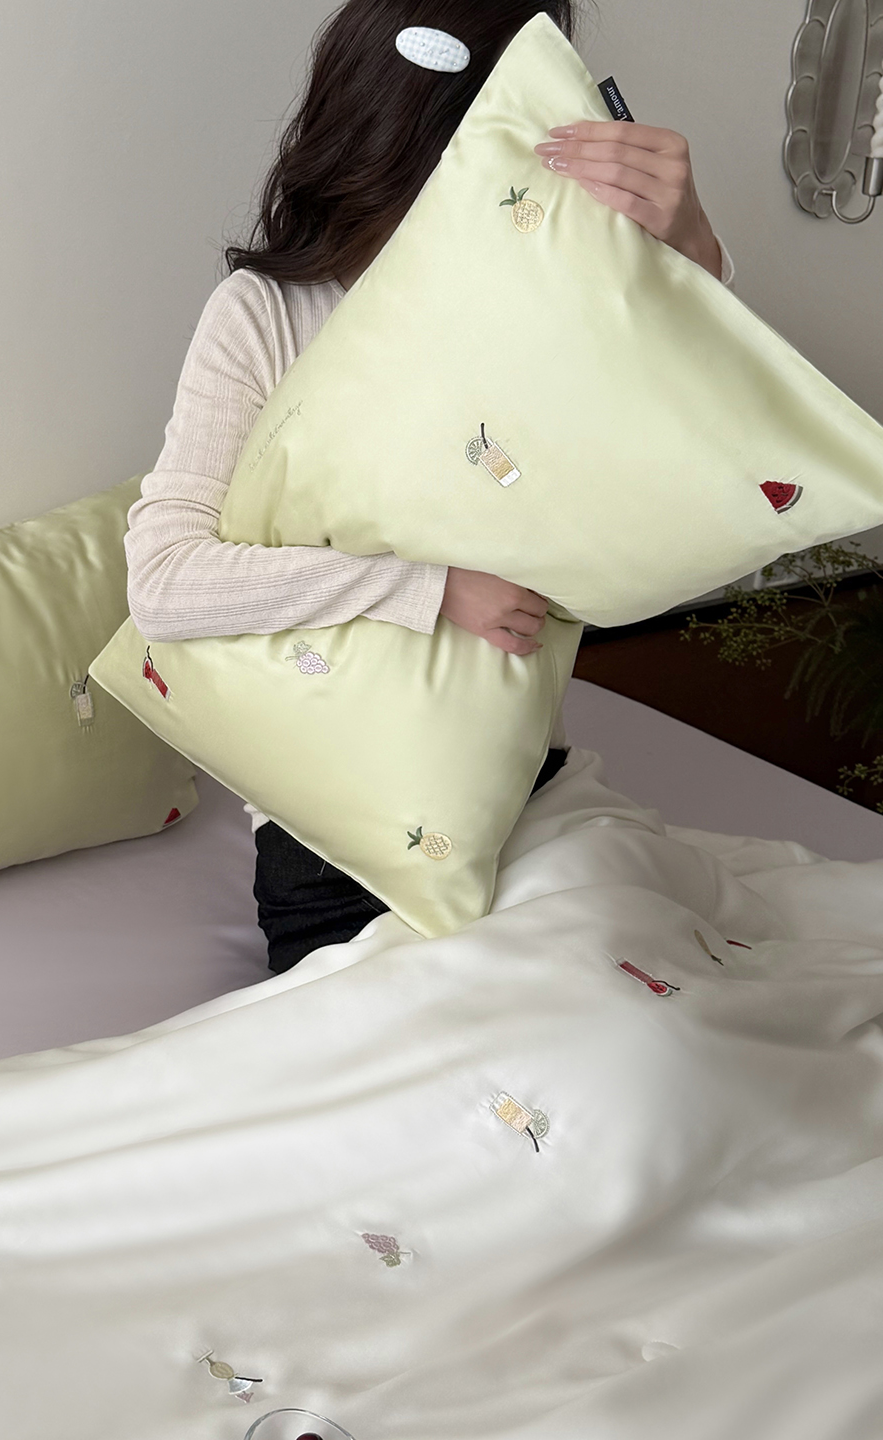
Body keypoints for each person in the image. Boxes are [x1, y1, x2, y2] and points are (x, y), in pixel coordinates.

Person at [124, 0, 733, 974]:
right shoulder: (265, 316)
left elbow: (693, 465)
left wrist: (691, 251)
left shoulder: (544, 309)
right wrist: (427, 587)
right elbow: (165, 583)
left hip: (533, 797)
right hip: (342, 840)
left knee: (654, 1018)